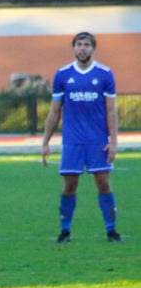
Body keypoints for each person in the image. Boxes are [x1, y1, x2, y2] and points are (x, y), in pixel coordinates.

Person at [42, 32, 121, 243]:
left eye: (87, 45)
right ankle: (65, 231)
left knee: (103, 183)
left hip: (97, 141)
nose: (83, 48)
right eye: (79, 44)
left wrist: (113, 141)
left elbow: (111, 110)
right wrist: (46, 141)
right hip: (72, 141)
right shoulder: (62, 75)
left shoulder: (105, 74)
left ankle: (111, 231)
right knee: (69, 185)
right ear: (74, 48)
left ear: (93, 49)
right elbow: (54, 111)